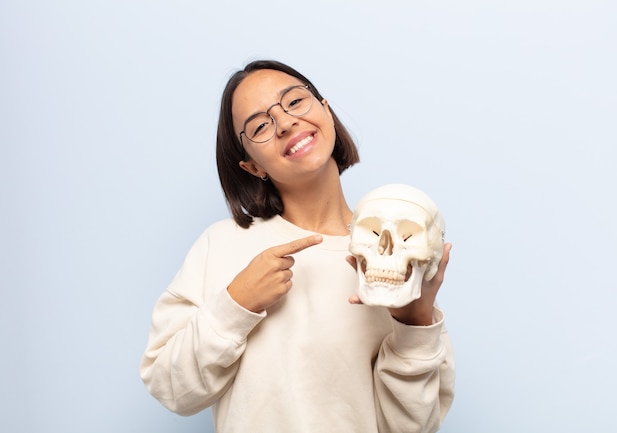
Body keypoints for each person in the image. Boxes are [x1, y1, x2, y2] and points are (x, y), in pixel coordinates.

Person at [140, 59, 455, 433]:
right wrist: (236, 304)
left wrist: (414, 323)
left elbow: (414, 427)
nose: (286, 123)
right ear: (252, 166)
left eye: (294, 102)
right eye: (259, 125)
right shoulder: (220, 245)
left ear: (325, 109)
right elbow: (170, 388)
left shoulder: (394, 252)